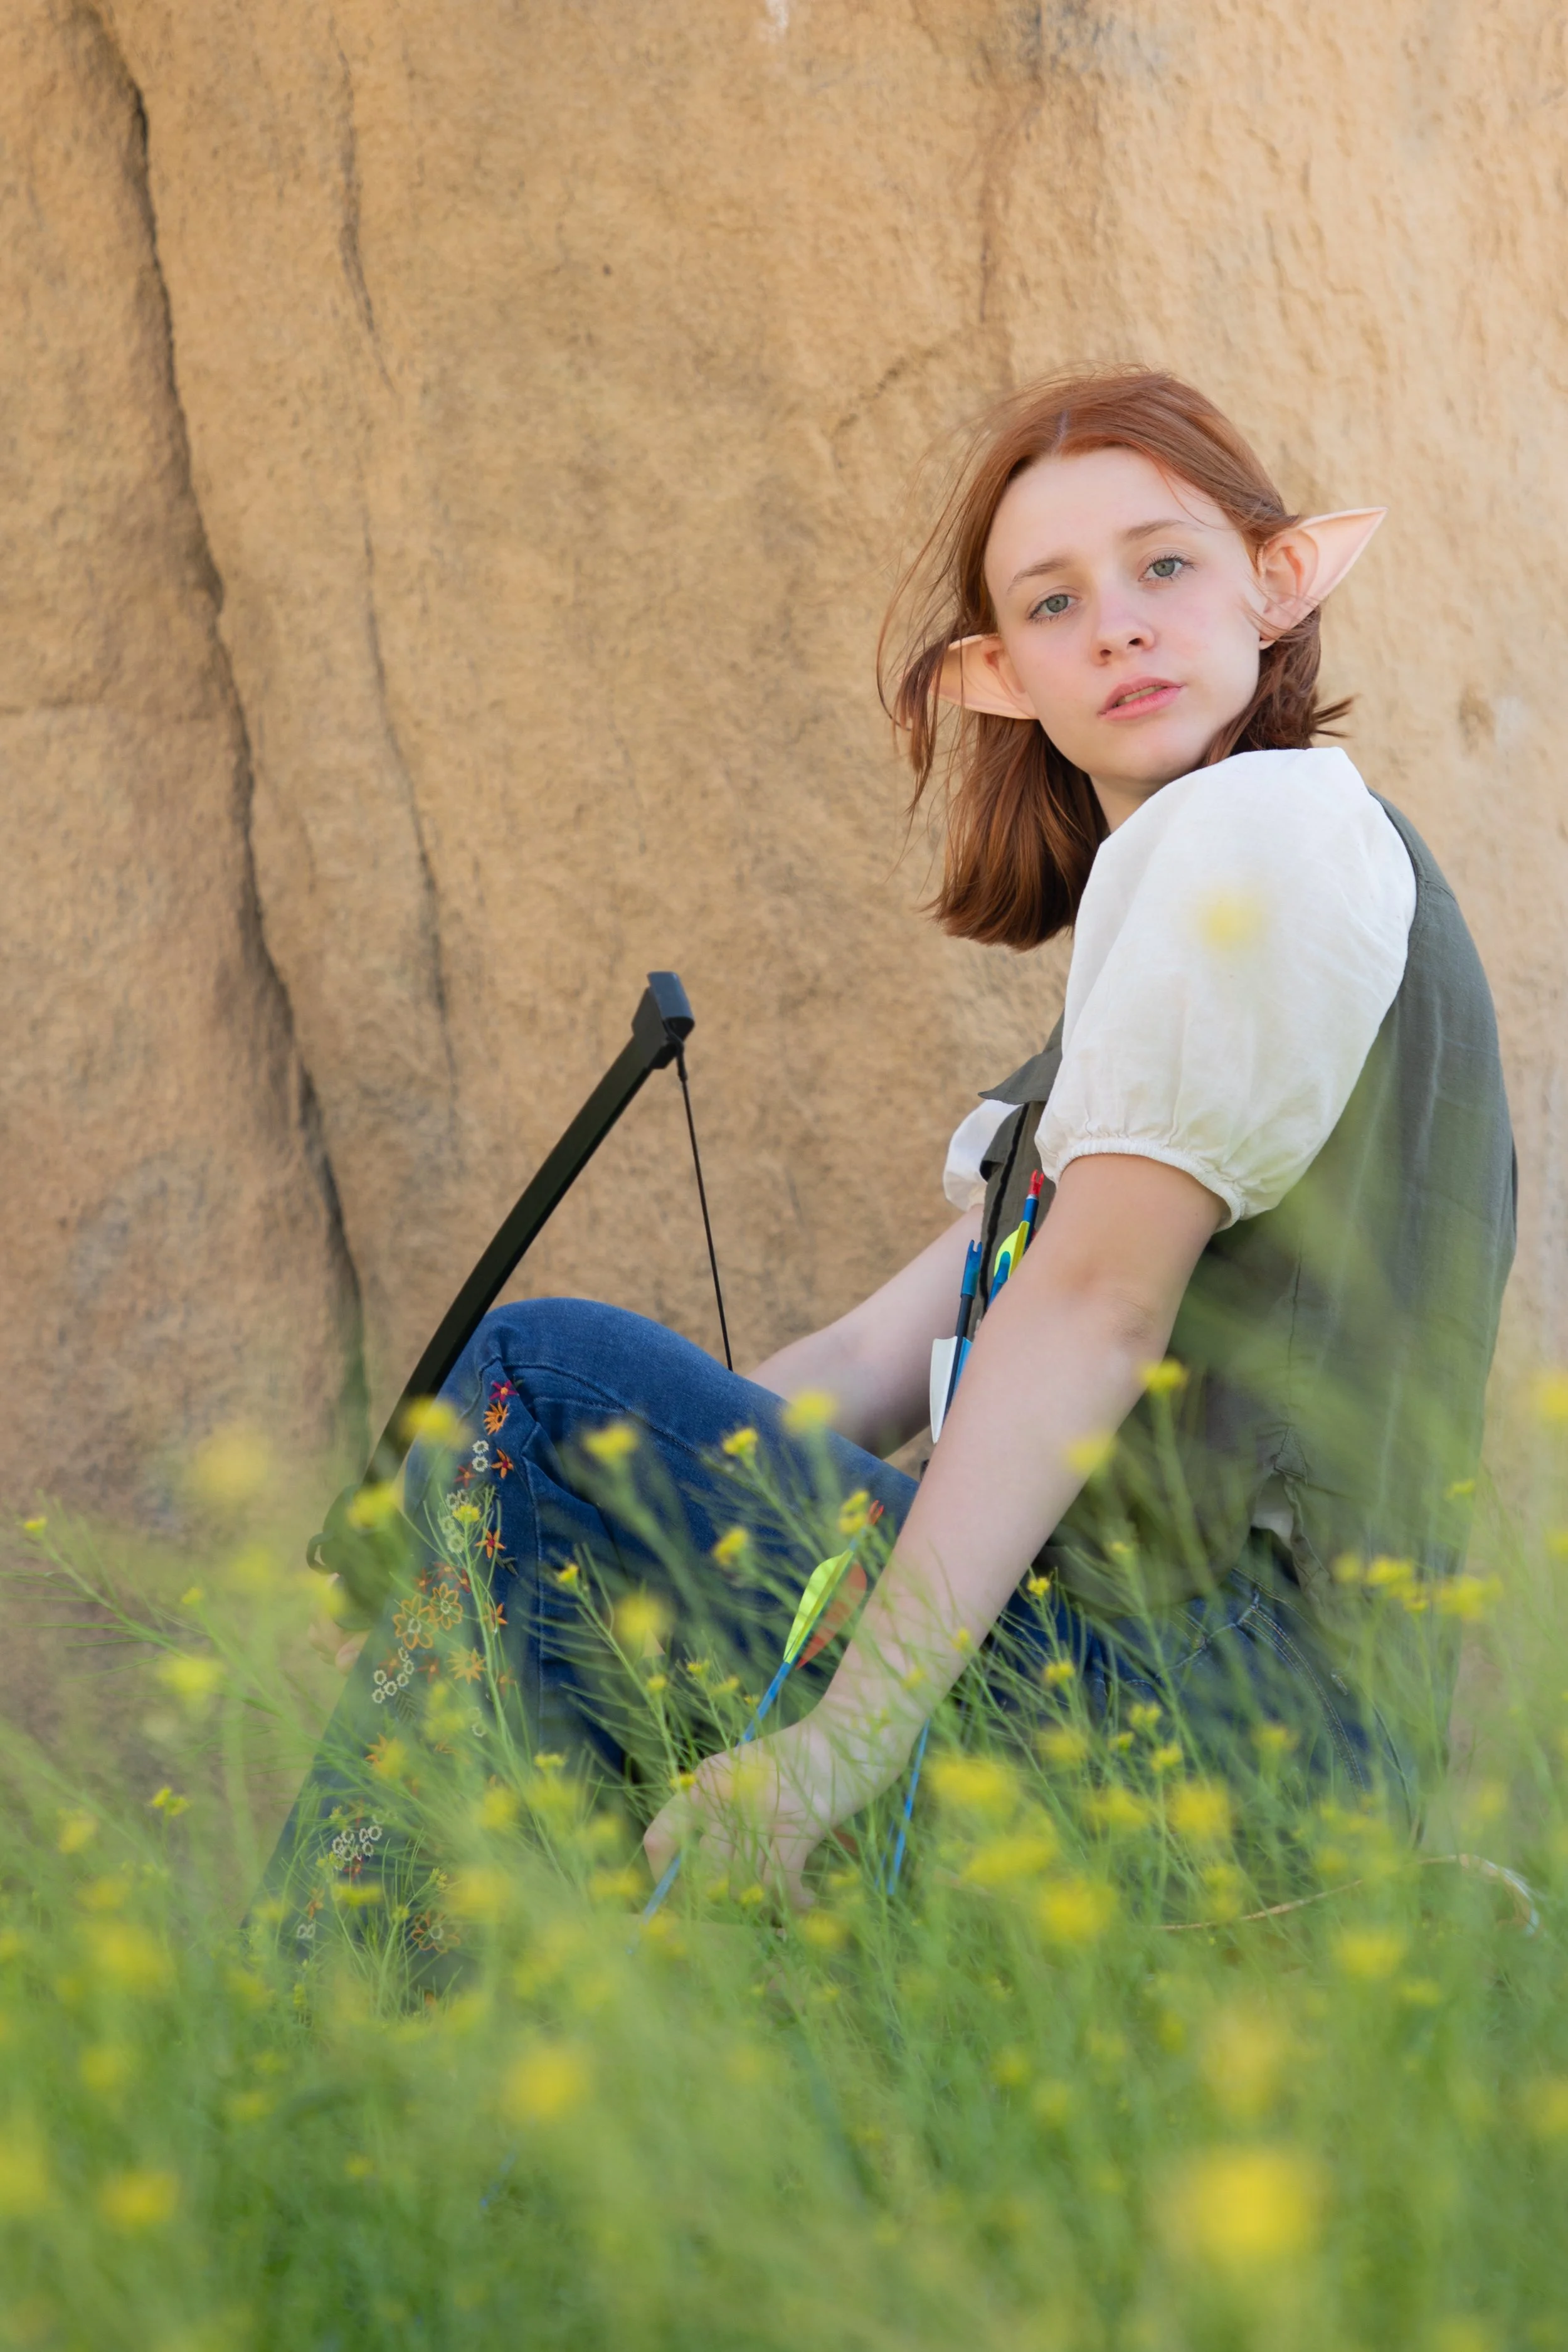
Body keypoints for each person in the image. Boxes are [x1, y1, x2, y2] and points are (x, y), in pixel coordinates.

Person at [278, 368, 1513, 1942]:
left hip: (1207, 1705)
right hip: (1219, 1718)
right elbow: (879, 1350)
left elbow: (1091, 1315)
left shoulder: (1260, 840)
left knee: (545, 1378)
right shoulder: (1167, 972)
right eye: (1053, 603)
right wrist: (438, 1518)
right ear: (1000, 676)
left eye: (1164, 566)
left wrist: (836, 1748)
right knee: (536, 1456)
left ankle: (335, 2073)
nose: (1118, 625)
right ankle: (508, 2076)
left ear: (1276, 584)